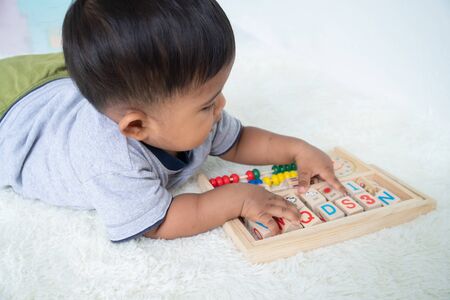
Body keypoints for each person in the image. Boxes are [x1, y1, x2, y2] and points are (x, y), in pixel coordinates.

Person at [0, 0, 345, 242]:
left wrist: (298, 149)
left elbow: (239, 140)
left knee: (101, 69)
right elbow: (159, 221)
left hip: (55, 81)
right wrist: (236, 198)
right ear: (137, 127)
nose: (221, 107)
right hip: (13, 115)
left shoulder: (189, 115)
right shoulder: (108, 158)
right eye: (208, 103)